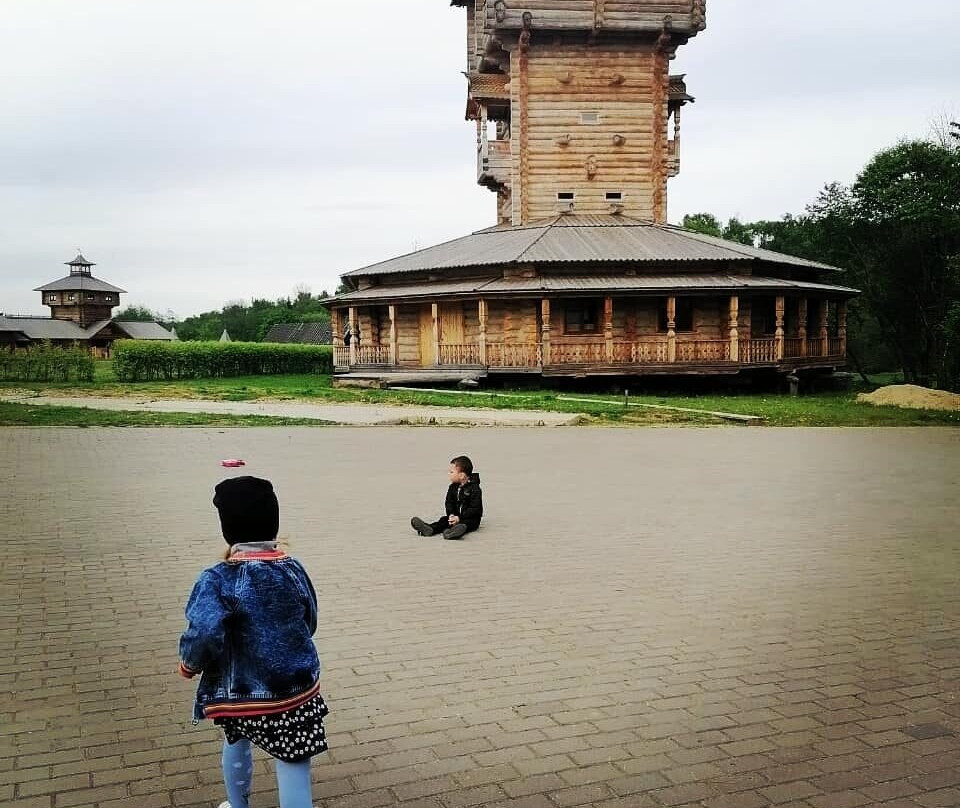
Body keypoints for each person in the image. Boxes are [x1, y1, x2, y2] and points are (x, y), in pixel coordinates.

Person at [178, 476, 327, 808]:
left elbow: (204, 632)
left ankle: (237, 804)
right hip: (295, 693)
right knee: (293, 763)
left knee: (236, 739)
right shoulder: (293, 568)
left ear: (227, 528)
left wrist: (189, 663)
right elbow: (310, 620)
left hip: (241, 696)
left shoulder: (216, 578)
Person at [411, 455, 483, 540]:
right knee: (443, 521)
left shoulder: (475, 489)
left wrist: (459, 518)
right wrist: (451, 514)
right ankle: (430, 529)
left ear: (461, 476)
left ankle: (453, 532)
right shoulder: (453, 487)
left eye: (451, 472)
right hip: (454, 517)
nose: (449, 474)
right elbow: (449, 503)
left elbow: (475, 509)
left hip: (470, 518)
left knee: (466, 524)